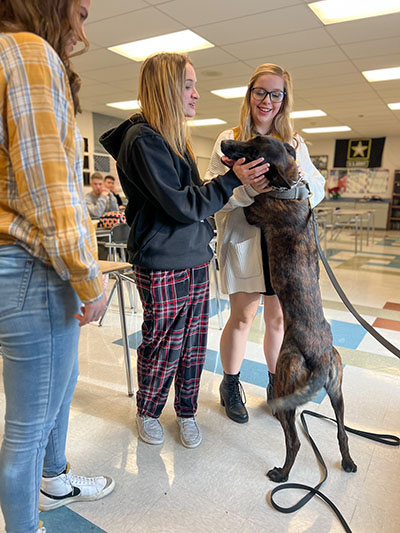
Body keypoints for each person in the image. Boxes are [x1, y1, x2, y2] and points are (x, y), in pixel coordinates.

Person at [100, 52, 269, 449]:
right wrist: (231, 181)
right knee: (163, 342)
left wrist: (226, 176)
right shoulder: (142, 140)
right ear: (166, 89)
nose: (196, 94)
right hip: (162, 261)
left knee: (193, 342)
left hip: (194, 257)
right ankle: (148, 410)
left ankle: (187, 410)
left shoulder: (174, 140)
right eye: (188, 86)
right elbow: (183, 205)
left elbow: (194, 197)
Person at [0, 1, 115, 532]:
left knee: (56, 390)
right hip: (31, 268)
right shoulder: (27, 53)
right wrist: (90, 279)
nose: (82, 28)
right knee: (27, 427)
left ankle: (54, 479)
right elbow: (47, 190)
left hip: (15, 265)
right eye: (81, 12)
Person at [204, 63, 326, 424]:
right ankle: (230, 384)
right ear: (249, 94)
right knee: (242, 316)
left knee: (277, 320)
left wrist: (298, 184)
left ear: (284, 99)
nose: (267, 100)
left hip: (284, 249)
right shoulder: (231, 137)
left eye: (276, 94)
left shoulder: (295, 142)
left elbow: (315, 190)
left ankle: (276, 385)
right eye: (261, 92)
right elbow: (213, 196)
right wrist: (245, 189)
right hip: (246, 242)